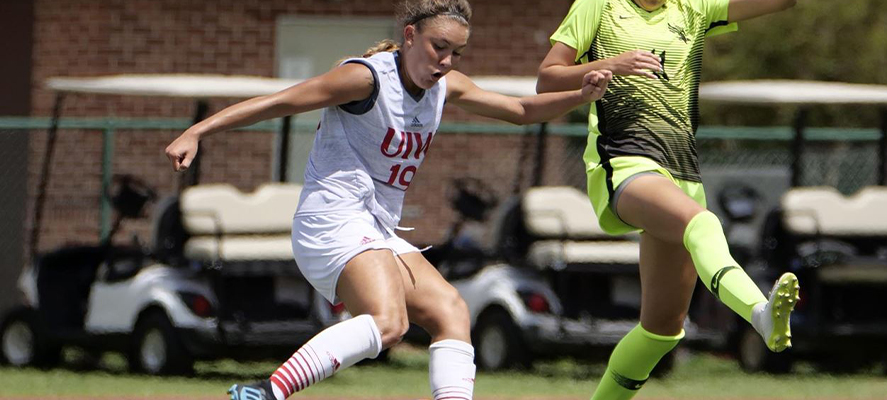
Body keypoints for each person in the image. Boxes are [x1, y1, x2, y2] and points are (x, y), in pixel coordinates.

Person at [164, 1, 612, 399]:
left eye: (457, 53)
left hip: (375, 227)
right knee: (389, 323)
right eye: (439, 47)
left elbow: (519, 111)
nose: (447, 61)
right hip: (332, 218)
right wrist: (198, 131)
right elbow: (279, 102)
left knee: (450, 311)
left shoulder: (445, 85)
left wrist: (581, 95)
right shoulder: (366, 78)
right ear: (410, 35)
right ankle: (265, 393)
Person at [536, 0, 797, 398]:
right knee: (704, 224)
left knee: (661, 330)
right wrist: (611, 65)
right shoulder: (597, 6)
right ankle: (759, 314)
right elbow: (547, 78)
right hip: (625, 164)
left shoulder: (693, 7)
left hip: (684, 175)